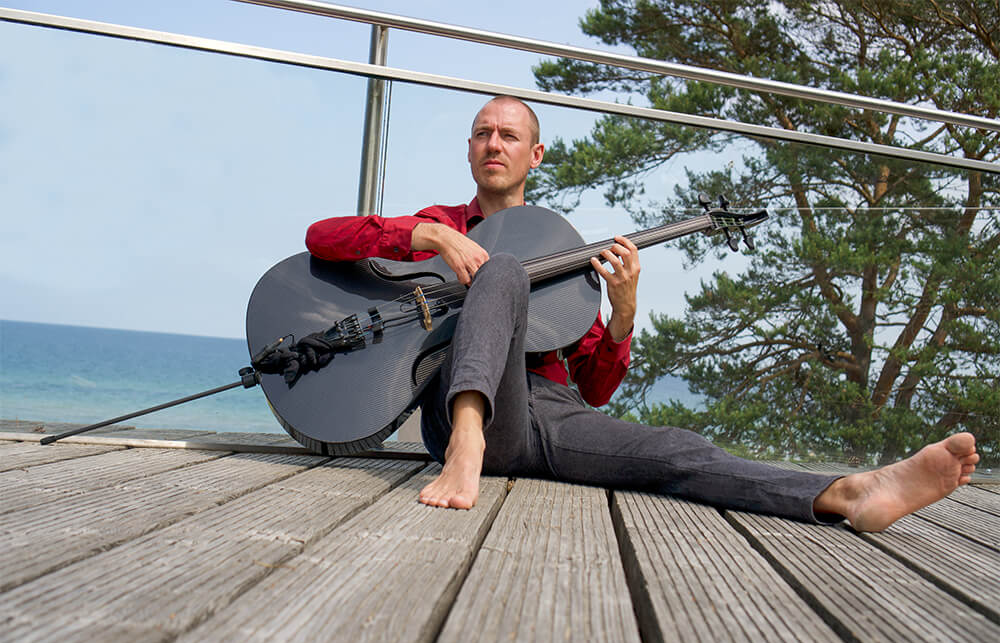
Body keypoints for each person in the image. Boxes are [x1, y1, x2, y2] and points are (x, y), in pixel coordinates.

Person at [305, 95, 979, 532]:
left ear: (534, 156)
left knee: (677, 450)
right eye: (483, 133)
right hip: (456, 413)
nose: (494, 143)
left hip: (544, 419)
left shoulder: (563, 252)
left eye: (509, 135)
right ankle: (468, 439)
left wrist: (623, 312)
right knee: (500, 268)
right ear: (470, 149)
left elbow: (595, 388)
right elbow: (322, 237)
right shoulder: (439, 224)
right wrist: (428, 236)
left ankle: (848, 493)